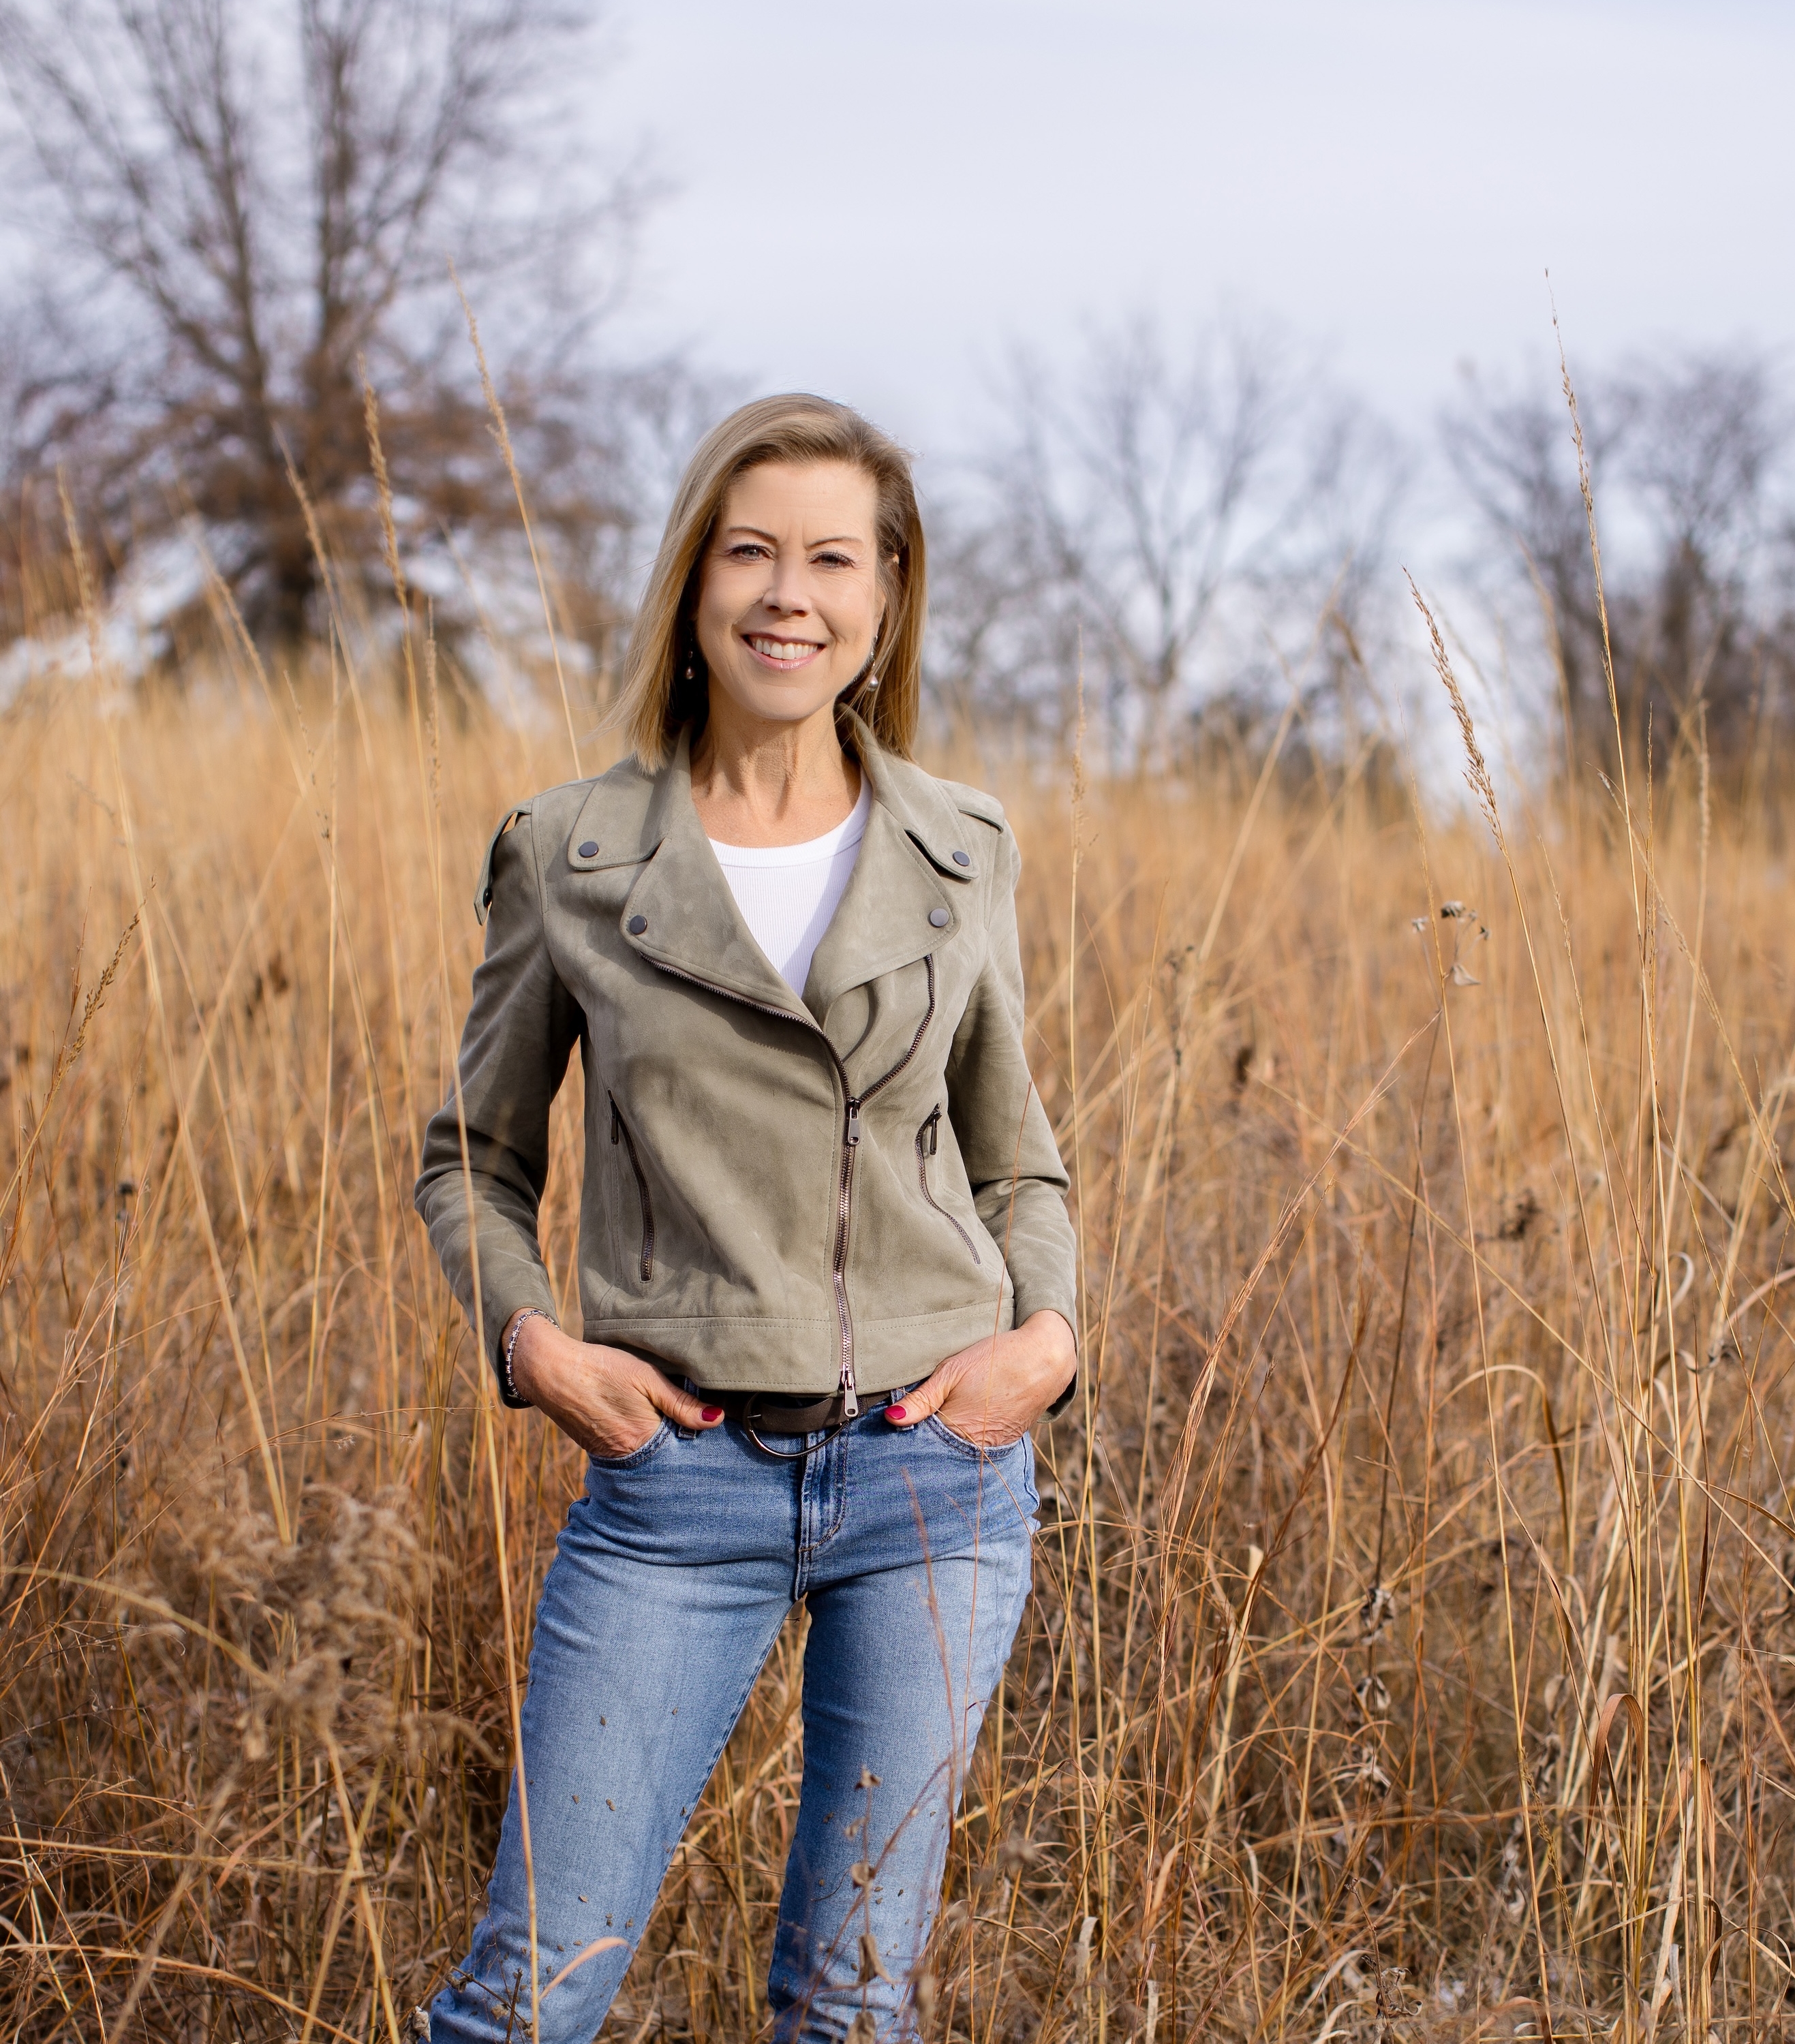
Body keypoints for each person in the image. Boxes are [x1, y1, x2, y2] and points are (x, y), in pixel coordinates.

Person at [413, 394, 1079, 2043]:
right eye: (754, 550)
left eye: (833, 558)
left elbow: (1019, 1162)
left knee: (853, 2008)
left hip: (940, 1477)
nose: (791, 592)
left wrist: (1048, 1344)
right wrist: (536, 1349)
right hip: (677, 1484)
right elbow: (473, 1160)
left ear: (886, 599)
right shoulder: (569, 850)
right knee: (528, 2003)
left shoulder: (963, 846)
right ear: (698, 582)